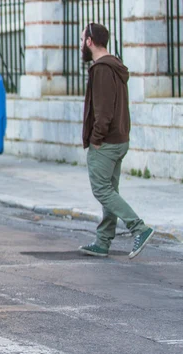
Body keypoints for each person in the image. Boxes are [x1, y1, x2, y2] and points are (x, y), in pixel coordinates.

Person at [78, 23, 154, 259]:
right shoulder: (115, 65)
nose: (81, 44)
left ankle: (139, 228)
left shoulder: (101, 69)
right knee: (110, 190)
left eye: (82, 39)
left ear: (89, 41)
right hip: (120, 138)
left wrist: (96, 139)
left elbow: (103, 112)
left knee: (102, 190)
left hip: (106, 142)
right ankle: (103, 241)